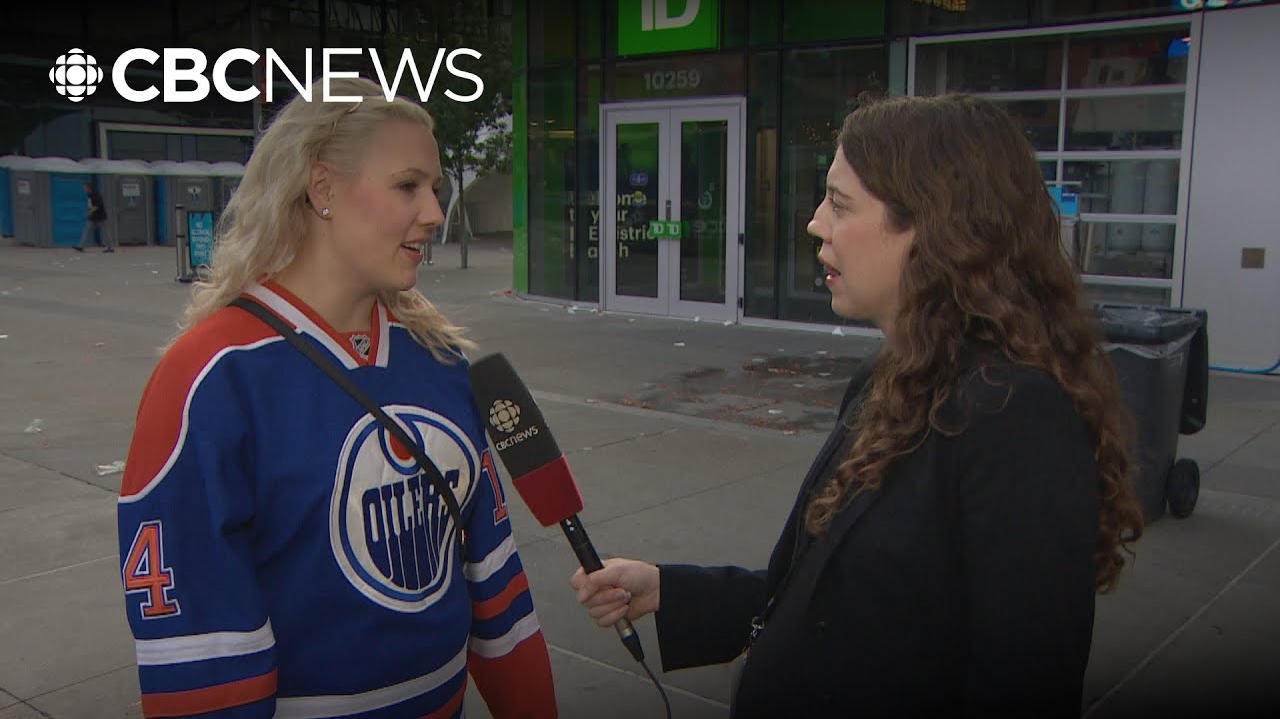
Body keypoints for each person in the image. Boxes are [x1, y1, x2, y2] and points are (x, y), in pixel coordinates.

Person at [572, 94, 1144, 718]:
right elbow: (828, 600)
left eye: (840, 204)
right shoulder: (891, 375)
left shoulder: (1015, 418)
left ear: (933, 225)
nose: (816, 222)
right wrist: (670, 590)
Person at [117, 77, 557, 719]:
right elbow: (199, 658)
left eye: (433, 187)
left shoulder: (441, 363)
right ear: (322, 189)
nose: (435, 212)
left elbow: (497, 593)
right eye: (408, 185)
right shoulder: (211, 377)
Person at [74, 181, 112, 252]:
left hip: (101, 216)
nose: (84, 189)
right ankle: (80, 246)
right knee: (86, 230)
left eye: (85, 187)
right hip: (93, 217)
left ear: (89, 188)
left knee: (106, 232)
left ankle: (110, 247)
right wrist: (90, 212)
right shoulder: (90, 195)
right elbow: (91, 205)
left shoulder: (96, 195)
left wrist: (89, 212)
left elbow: (97, 205)